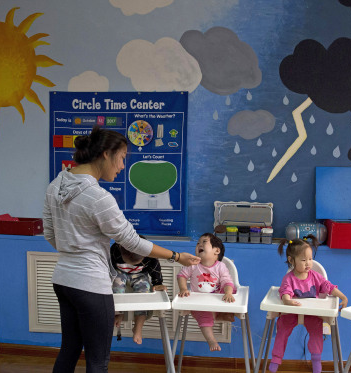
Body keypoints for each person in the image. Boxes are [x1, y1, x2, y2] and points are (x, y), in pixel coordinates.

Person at [43, 126, 200, 373]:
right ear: (106, 153)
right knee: (97, 361)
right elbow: (132, 242)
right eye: (123, 157)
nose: (123, 165)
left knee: (69, 350)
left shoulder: (56, 185)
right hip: (91, 285)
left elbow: (50, 233)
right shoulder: (98, 197)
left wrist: (73, 252)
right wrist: (176, 256)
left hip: (63, 279)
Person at [269, 236, 348, 373]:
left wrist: (342, 296)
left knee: (316, 333)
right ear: (291, 260)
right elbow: (285, 291)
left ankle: (316, 361)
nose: (308, 263)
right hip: (292, 311)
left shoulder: (315, 276)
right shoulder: (289, 278)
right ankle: (276, 359)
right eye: (304, 260)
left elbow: (328, 286)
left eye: (310, 259)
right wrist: (287, 300)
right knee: (282, 329)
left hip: (311, 314)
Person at [176, 233, 236, 352]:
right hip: (200, 303)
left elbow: (226, 281)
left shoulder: (220, 266)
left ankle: (226, 312)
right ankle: (211, 340)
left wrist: (228, 293)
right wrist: (183, 288)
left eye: (204, 242)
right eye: (198, 243)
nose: (199, 244)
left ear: (216, 251)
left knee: (232, 289)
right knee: (204, 317)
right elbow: (181, 275)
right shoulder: (193, 265)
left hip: (218, 299)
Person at [111, 239, 166, 344]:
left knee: (143, 294)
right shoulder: (115, 250)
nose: (132, 265)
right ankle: (119, 314)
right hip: (119, 272)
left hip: (140, 275)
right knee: (117, 287)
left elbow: (155, 269)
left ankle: (138, 326)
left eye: (135, 263)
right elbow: (109, 266)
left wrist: (157, 283)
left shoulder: (150, 255)